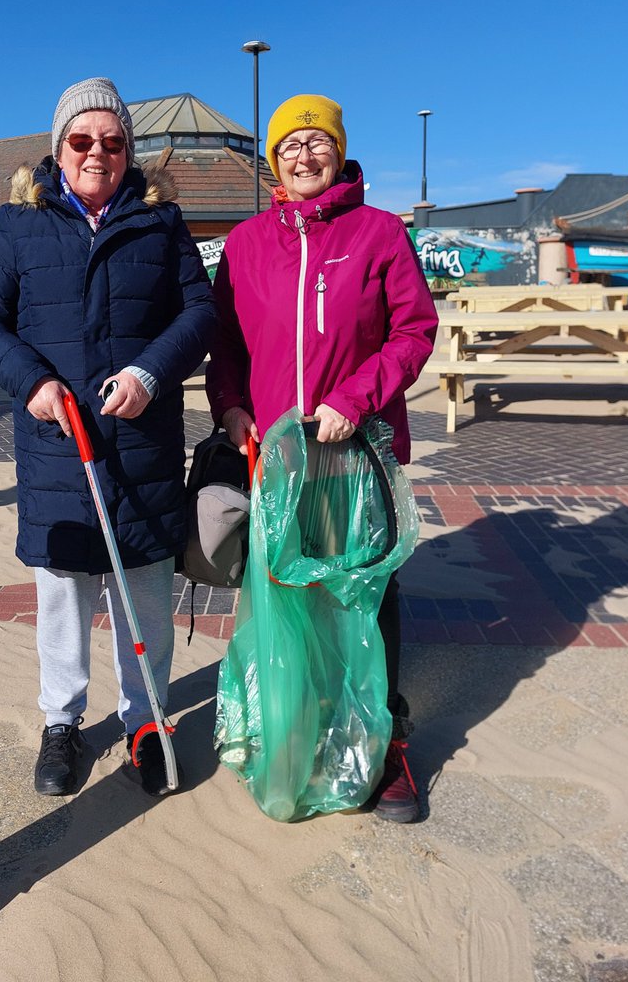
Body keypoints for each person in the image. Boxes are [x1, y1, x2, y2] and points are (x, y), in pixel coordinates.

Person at [0, 78, 216, 798]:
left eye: (112, 140)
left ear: (128, 150)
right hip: (58, 449)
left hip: (142, 446)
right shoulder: (19, 221)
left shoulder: (161, 222)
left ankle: (146, 720)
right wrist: (32, 382)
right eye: (82, 140)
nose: (96, 152)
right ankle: (62, 722)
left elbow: (199, 313)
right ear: (58, 148)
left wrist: (151, 373)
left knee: (145, 601)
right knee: (64, 598)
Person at [206, 93, 438, 822]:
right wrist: (231, 408)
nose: (305, 155)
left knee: (364, 592)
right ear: (274, 162)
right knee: (291, 595)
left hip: (354, 450)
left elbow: (414, 330)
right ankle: (303, 731)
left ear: (339, 151)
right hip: (279, 457)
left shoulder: (377, 234)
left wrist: (356, 395)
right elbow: (227, 348)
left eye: (317, 142)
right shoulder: (245, 245)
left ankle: (386, 741)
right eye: (290, 145)